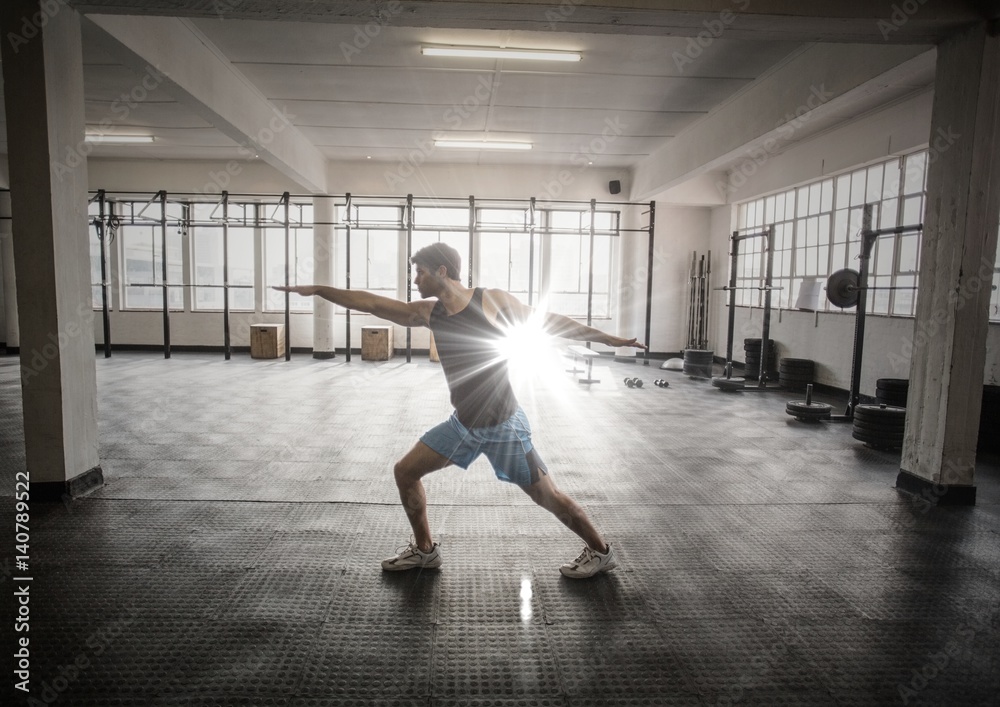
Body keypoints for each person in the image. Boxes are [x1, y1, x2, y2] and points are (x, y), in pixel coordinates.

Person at [274, 242, 645, 578]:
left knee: (548, 497)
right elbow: (371, 303)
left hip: (503, 428)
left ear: (442, 272)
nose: (414, 280)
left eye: (419, 272)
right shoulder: (427, 313)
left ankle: (601, 552)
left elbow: (550, 322)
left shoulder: (492, 300)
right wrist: (320, 290)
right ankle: (424, 551)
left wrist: (608, 338)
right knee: (405, 472)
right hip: (463, 425)